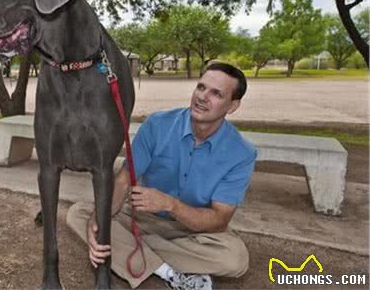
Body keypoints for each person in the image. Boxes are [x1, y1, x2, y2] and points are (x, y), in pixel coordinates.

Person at [67, 62, 257, 290]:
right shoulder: (157, 125)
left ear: (233, 106)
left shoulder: (241, 153)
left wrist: (171, 205)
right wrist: (99, 220)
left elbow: (218, 220)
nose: (202, 97)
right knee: (80, 214)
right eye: (201, 87)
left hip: (193, 229)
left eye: (216, 93)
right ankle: (170, 273)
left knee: (235, 258)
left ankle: (134, 249)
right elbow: (124, 180)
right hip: (142, 218)